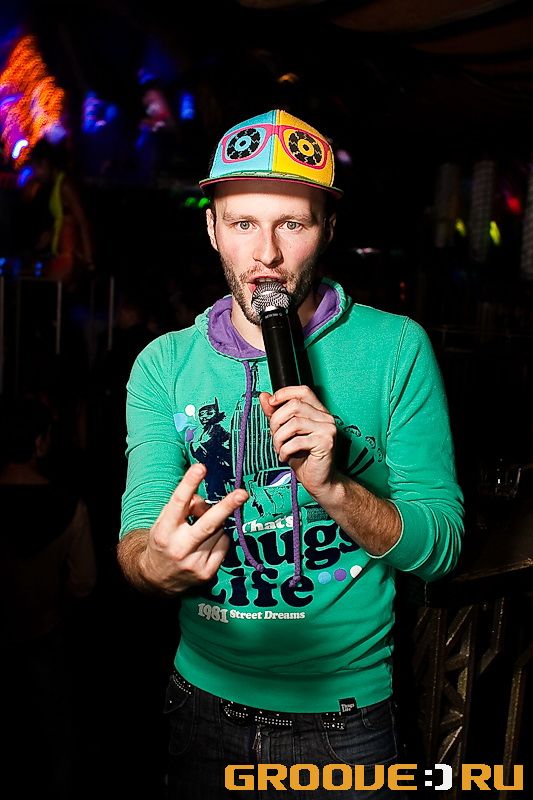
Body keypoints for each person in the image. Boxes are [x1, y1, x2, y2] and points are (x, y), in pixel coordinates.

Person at [117, 108, 464, 798]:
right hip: (202, 706)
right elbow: (136, 542)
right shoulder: (163, 364)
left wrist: (335, 488)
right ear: (211, 228)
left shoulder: (396, 348)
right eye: (243, 223)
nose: (266, 255)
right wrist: (158, 565)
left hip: (345, 720)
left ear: (328, 228)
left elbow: (442, 548)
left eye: (293, 225)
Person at [0, 394, 97, 799]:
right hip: (45, 635)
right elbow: (84, 581)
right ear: (40, 441)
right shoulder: (68, 506)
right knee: (54, 737)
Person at [28, 137, 95, 284]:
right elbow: (64, 217)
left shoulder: (65, 185)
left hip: (71, 258)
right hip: (63, 255)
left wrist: (89, 261)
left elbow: (83, 221)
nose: (36, 174)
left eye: (36, 168)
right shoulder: (56, 185)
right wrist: (52, 234)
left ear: (45, 163)